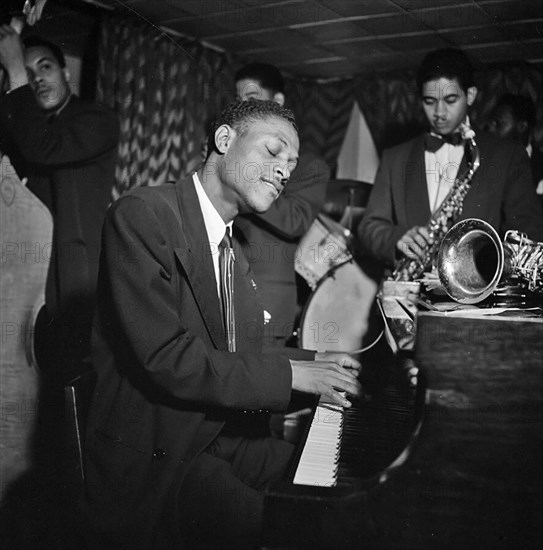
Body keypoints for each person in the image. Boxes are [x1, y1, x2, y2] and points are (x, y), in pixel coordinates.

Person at [82, 99, 361, 550]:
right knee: (285, 530)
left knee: (339, 482)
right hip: (160, 453)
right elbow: (168, 358)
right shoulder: (143, 214)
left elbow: (240, 356)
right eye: (273, 152)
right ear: (224, 140)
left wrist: (320, 361)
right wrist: (295, 374)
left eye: (291, 164)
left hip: (213, 438)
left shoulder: (232, 249)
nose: (285, 171)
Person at [0, 30, 119, 383]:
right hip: (24, 276)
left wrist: (16, 74)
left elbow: (43, 148)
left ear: (66, 73)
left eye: (45, 67)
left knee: (62, 381)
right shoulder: (24, 125)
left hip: (69, 282)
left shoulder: (96, 120)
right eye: (27, 71)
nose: (36, 78)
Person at [358, 48, 543, 270]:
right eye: (429, 101)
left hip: (477, 296)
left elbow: (528, 232)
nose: (439, 112)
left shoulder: (507, 154)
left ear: (471, 95)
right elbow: (369, 226)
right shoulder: (395, 158)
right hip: (407, 293)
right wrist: (396, 238)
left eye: (450, 99)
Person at [234, 62, 329, 347]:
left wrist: (245, 181)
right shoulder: (233, 154)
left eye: (250, 100)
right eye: (238, 102)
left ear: (277, 102)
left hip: (268, 302)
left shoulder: (310, 165)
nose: (241, 109)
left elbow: (296, 220)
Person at [487, 93, 543, 199]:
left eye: (498, 124)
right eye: (490, 123)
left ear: (522, 126)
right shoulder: (482, 160)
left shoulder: (540, 169)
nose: (490, 129)